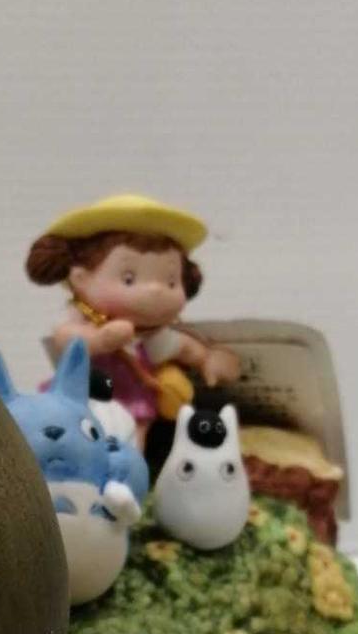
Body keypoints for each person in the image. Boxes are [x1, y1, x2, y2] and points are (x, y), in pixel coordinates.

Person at [26, 193, 240, 452]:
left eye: (171, 281)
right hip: (82, 395)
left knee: (132, 441)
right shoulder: (83, 320)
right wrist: (99, 340)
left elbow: (183, 347)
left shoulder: (152, 336)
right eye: (129, 278)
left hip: (132, 398)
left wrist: (208, 359)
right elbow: (65, 337)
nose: (155, 290)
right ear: (80, 278)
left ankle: (128, 469)